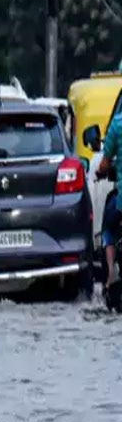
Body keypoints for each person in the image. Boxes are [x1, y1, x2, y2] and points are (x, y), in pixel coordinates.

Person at [95, 111, 122, 289]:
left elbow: (104, 164)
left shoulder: (117, 124)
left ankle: (111, 270)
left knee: (108, 229)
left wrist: (100, 172)